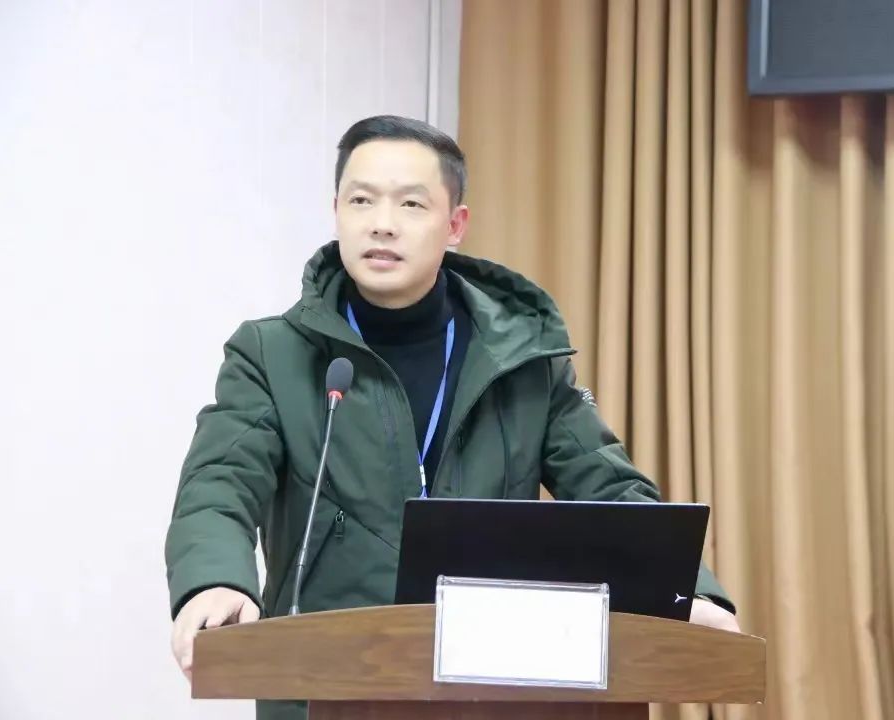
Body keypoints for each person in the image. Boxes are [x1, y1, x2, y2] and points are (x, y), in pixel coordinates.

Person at [165, 115, 739, 719]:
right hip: (322, 690)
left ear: (455, 225)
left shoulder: (522, 360)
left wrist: (686, 591)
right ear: (336, 211)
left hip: (496, 693)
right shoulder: (272, 355)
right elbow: (219, 485)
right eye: (361, 200)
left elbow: (610, 489)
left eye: (411, 204)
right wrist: (214, 580)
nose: (382, 222)